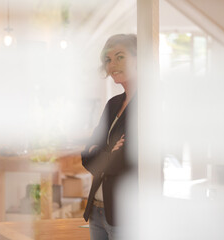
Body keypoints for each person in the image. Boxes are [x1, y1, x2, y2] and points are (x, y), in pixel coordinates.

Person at [81, 34, 138, 240]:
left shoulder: (147, 104)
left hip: (125, 216)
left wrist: (102, 153)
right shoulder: (113, 104)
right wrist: (109, 152)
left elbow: (126, 160)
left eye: (120, 57)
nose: (112, 64)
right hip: (97, 211)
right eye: (108, 59)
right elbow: (86, 155)